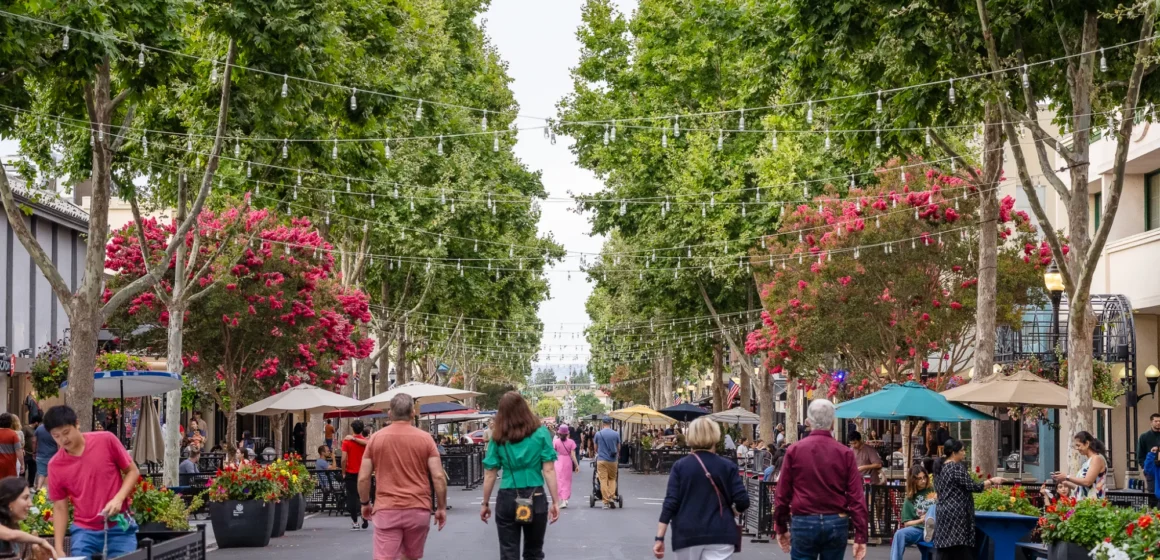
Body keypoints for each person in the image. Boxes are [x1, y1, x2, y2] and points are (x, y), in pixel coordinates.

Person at [773, 399, 869, 560]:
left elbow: (782, 494)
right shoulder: (845, 453)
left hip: (804, 519)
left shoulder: (795, 450)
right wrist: (861, 535)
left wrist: (780, 526)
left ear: (809, 422)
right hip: (836, 520)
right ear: (832, 422)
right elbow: (856, 496)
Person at [44, 405, 141, 559]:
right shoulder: (55, 465)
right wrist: (58, 547)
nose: (63, 439)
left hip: (119, 526)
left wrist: (118, 498)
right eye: (56, 436)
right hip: (84, 531)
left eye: (66, 432)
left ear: (77, 424)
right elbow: (60, 507)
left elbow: (133, 471)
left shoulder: (106, 440)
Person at [358, 394, 448, 560]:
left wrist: (365, 503)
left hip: (386, 508)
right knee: (410, 557)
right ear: (413, 413)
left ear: (390, 413)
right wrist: (441, 507)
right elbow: (438, 476)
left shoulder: (376, 439)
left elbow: (363, 478)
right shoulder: (426, 439)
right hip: (418, 508)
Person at [653, 417, 748, 560]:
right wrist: (734, 511)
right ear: (715, 436)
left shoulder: (680, 467)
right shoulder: (728, 466)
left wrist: (659, 537)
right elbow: (743, 500)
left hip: (687, 533)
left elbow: (671, 503)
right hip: (720, 532)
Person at [480, 392, 560, 560]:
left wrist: (485, 503)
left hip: (508, 495)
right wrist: (555, 501)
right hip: (536, 495)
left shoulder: (498, 436)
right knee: (534, 551)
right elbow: (549, 470)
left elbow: (490, 474)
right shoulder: (541, 432)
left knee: (508, 551)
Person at [932, 439, 1005, 560]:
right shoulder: (956, 468)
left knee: (945, 549)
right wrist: (992, 481)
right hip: (956, 515)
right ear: (954, 453)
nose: (964, 452)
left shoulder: (940, 469)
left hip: (943, 512)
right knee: (961, 548)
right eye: (962, 450)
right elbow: (974, 486)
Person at [0, 476, 56, 559]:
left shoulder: (12, 525)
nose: (31, 504)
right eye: (25, 498)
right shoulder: (9, 533)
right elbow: (11, 535)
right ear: (9, 502)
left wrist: (36, 557)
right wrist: (41, 541)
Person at [891, 465, 937, 560]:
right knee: (899, 534)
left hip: (938, 527)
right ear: (913, 480)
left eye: (924, 477)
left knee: (933, 507)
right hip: (920, 530)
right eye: (920, 479)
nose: (923, 481)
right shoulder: (909, 499)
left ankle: (930, 528)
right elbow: (907, 523)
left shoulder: (934, 490)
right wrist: (921, 520)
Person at [1051, 431, 1107, 500]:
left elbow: (1087, 482)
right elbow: (1083, 488)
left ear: (1087, 444)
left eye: (1078, 445)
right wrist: (1066, 482)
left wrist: (1067, 476)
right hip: (1086, 503)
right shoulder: (1088, 462)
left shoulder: (1096, 458)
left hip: (1093, 504)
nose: (1077, 448)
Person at [341, 420, 369, 530]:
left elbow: (343, 459)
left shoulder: (347, 442)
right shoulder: (364, 441)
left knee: (352, 497)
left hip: (351, 472)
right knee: (363, 496)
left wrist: (343, 472)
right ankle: (364, 516)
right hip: (363, 472)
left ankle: (355, 522)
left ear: (352, 429)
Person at [593, 417, 621, 509]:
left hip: (601, 460)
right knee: (612, 479)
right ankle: (612, 496)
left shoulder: (598, 434)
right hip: (613, 460)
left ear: (602, 423)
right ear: (610, 423)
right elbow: (618, 447)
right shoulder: (616, 434)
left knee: (603, 480)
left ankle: (606, 501)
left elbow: (595, 448)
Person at [553, 425, 578, 509]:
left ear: (559, 433)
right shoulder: (571, 442)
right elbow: (573, 455)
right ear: (567, 434)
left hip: (558, 461)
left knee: (560, 480)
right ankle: (565, 498)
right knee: (567, 481)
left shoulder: (556, 442)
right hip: (568, 461)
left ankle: (563, 499)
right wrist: (576, 465)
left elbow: (553, 453)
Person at [1139, 414, 1160, 496]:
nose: (1158, 423)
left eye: (1159, 421)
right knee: (1152, 492)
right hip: (1150, 468)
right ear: (1151, 422)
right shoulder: (1144, 437)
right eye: (1156, 421)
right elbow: (1140, 454)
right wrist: (1144, 467)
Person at [33, 420, 56, 491]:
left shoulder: (39, 428)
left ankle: (39, 488)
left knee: (41, 474)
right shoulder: (55, 429)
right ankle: (51, 492)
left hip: (40, 455)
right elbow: (59, 444)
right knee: (52, 474)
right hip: (53, 455)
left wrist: (34, 452)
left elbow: (34, 441)